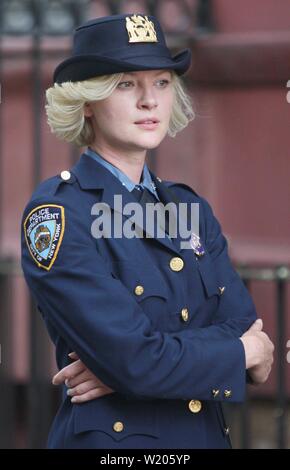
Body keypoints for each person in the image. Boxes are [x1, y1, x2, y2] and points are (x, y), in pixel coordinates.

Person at [21, 13, 274, 449]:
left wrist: (134, 364)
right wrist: (239, 352)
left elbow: (244, 331)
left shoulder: (187, 207)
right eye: (125, 84)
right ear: (87, 102)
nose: (149, 101)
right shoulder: (60, 215)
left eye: (160, 83)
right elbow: (141, 360)